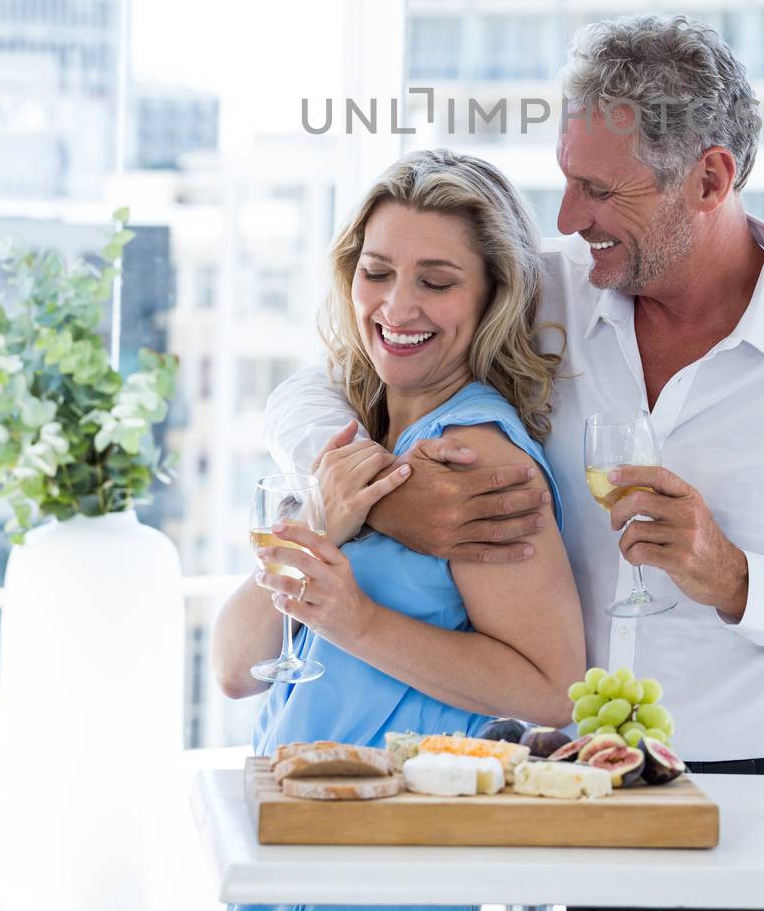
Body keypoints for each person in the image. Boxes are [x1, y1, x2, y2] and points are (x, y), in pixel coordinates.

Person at [265, 15, 764, 829]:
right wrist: (379, 487)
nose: (567, 218)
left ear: (709, 179)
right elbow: (318, 383)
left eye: (601, 190)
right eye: (568, 179)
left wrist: (739, 579)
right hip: (568, 800)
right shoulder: (543, 295)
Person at [213, 148, 585, 911]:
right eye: (376, 272)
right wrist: (323, 518)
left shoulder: (475, 455)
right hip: (290, 841)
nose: (397, 307)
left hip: (393, 860)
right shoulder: (355, 441)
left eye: (437, 281)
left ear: (492, 298)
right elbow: (234, 667)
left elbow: (553, 688)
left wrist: (359, 621)